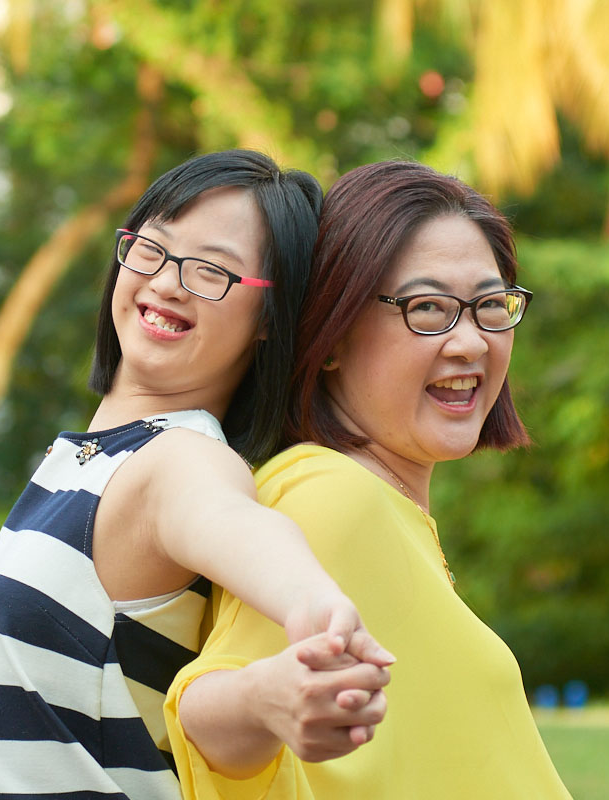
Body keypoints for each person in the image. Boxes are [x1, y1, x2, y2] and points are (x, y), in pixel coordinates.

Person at [0, 150, 393, 800]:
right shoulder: (89, 459)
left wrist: (320, 613)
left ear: (269, 320)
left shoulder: (181, 458)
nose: (166, 282)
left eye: (213, 271)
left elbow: (228, 520)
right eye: (152, 249)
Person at [165, 160, 574, 798]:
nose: (470, 342)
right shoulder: (329, 497)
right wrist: (266, 697)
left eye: (490, 306)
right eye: (428, 307)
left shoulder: (383, 507)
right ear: (331, 335)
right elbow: (206, 719)